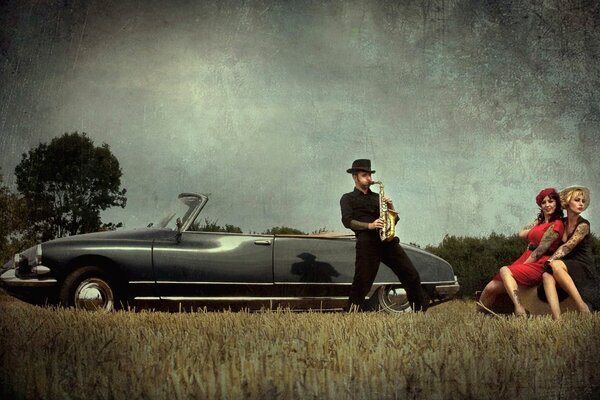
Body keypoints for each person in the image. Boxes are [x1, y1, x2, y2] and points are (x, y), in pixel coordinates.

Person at [339, 159, 428, 312]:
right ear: (355, 177)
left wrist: (391, 206)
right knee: (362, 281)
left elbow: (393, 221)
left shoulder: (377, 198)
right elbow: (347, 222)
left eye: (369, 175)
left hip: (387, 242)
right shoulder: (347, 198)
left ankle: (419, 311)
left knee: (410, 274)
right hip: (367, 243)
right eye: (364, 175)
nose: (369, 178)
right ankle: (350, 314)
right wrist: (370, 225)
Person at [478, 188, 564, 316]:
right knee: (490, 288)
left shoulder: (556, 224)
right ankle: (478, 316)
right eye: (544, 203)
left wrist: (523, 265)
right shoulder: (540, 224)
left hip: (539, 262)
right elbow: (521, 233)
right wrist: (539, 220)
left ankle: (519, 309)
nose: (547, 205)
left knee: (504, 270)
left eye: (551, 201)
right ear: (540, 206)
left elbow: (540, 251)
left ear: (556, 203)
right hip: (527, 257)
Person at [541, 185, 599, 320]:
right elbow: (545, 240)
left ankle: (582, 307)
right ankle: (557, 319)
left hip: (583, 266)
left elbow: (567, 247)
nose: (581, 204)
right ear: (567, 202)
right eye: (577, 200)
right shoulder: (562, 223)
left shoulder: (583, 225)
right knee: (546, 275)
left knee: (554, 265)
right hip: (566, 264)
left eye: (583, 201)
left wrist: (550, 260)